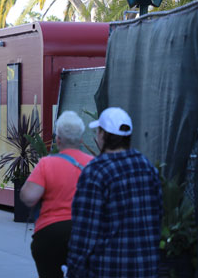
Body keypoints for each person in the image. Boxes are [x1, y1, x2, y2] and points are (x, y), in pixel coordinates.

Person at [66, 107, 162, 278]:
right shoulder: (147, 167)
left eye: (97, 131)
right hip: (146, 267)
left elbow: (85, 231)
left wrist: (74, 270)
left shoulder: (96, 172)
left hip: (109, 268)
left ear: (103, 134)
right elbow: (157, 218)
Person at [19, 111, 93, 278]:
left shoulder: (47, 164)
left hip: (50, 233)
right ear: (81, 140)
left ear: (58, 140)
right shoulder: (93, 164)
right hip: (84, 232)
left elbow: (29, 197)